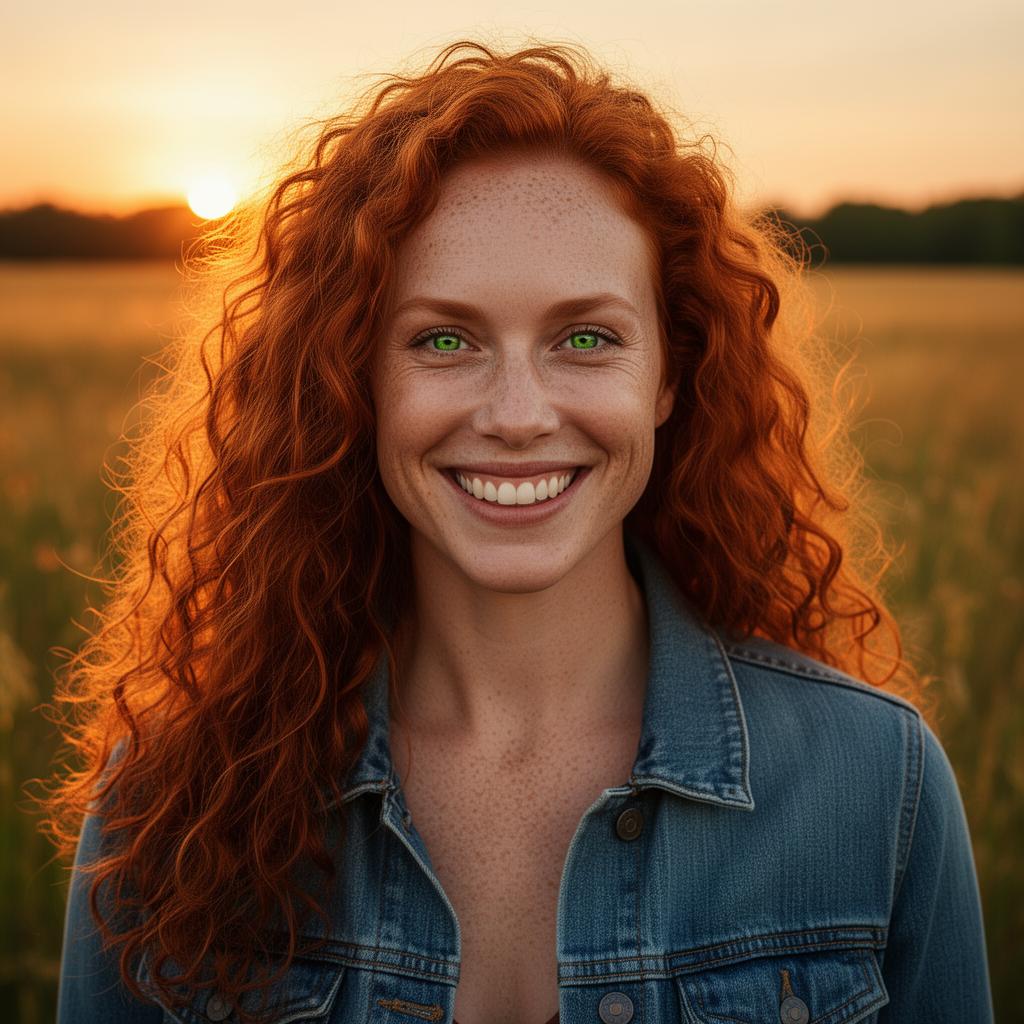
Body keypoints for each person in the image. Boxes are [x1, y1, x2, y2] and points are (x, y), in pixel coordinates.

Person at [45, 38, 992, 1024]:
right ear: (353, 381)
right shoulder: (177, 796)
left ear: (669, 376)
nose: (516, 413)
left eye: (585, 337)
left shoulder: (875, 785)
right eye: (442, 339)